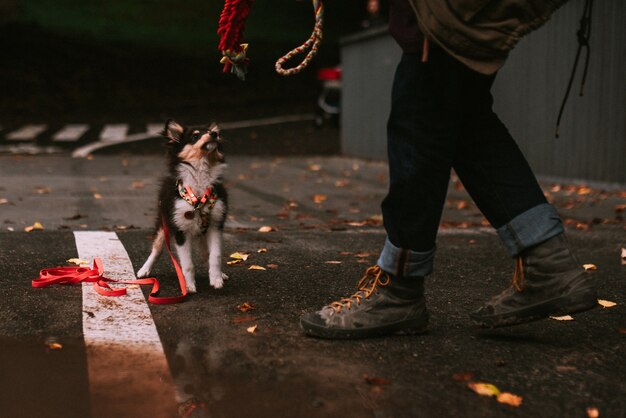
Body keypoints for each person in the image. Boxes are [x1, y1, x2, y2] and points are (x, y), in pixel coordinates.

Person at [300, 0, 597, 339]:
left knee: (419, 117)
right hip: (446, 14)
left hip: (442, 15)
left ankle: (399, 287)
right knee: (466, 119)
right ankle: (547, 260)